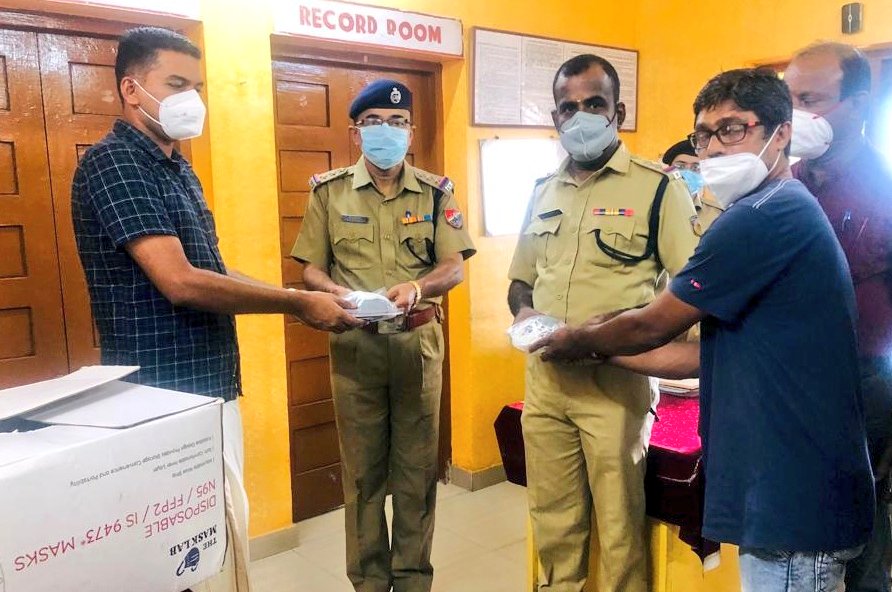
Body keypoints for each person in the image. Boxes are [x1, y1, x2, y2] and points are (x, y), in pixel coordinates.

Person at [532, 67, 875, 592]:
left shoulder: (759, 217)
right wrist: (599, 352)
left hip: (793, 497)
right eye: (704, 134)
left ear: (781, 133)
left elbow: (654, 323)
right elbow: (701, 353)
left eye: (733, 129)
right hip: (789, 486)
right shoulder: (783, 205)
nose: (713, 148)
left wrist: (582, 338)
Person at [71, 27, 362, 592]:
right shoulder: (115, 164)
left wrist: (312, 297)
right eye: (176, 84)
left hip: (207, 385)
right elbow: (180, 282)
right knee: (185, 556)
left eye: (198, 86)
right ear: (132, 89)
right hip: (160, 394)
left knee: (222, 535)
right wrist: (297, 303)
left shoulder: (175, 167)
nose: (192, 99)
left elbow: (212, 268)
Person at [506, 54, 700, 592]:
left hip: (615, 389)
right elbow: (520, 279)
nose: (581, 116)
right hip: (545, 386)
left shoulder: (659, 189)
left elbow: (692, 292)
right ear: (555, 118)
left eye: (594, 103)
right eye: (569, 107)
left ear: (618, 110)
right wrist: (524, 314)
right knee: (553, 522)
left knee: (618, 529)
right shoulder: (543, 189)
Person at [291, 79, 476, 592]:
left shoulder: (437, 192)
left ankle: (414, 579)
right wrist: (336, 293)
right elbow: (310, 269)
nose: (386, 131)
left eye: (397, 123)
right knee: (363, 476)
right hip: (355, 348)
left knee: (417, 476)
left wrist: (418, 287)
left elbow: (453, 266)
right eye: (374, 122)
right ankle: (370, 582)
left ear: (411, 131)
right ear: (356, 133)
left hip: (418, 346)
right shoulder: (328, 192)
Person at [786, 41, 892, 592]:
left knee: (863, 524)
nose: (795, 114)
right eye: (789, 99)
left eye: (811, 99)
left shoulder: (885, 187)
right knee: (802, 533)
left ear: (859, 103)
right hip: (789, 386)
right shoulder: (782, 184)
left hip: (865, 388)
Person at [662, 139, 723, 235]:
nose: (688, 173)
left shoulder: (717, 215)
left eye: (696, 168)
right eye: (680, 166)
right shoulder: (652, 207)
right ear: (668, 170)